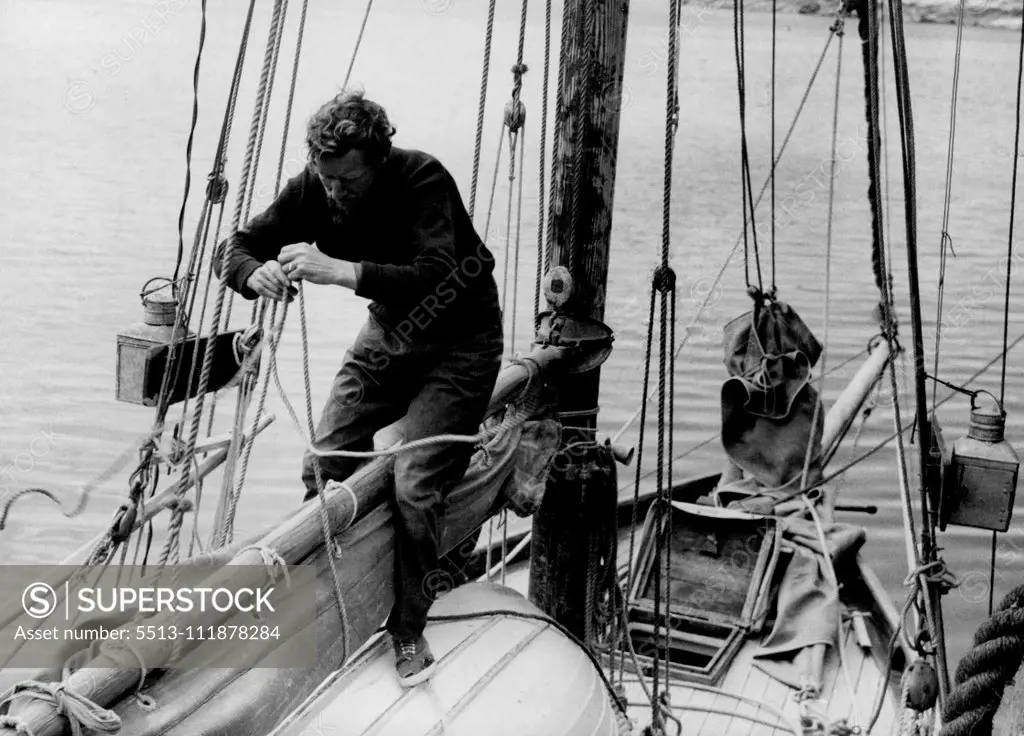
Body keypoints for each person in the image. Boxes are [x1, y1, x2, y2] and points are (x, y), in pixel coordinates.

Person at [215, 89, 504, 687]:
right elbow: (234, 247)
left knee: (417, 483)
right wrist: (254, 272)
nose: (335, 193)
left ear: (377, 160)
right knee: (323, 466)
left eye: (347, 181)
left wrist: (341, 271)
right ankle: (309, 608)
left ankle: (407, 626)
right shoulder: (314, 186)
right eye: (327, 179)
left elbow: (439, 274)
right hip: (390, 334)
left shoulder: (421, 178)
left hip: (460, 343)